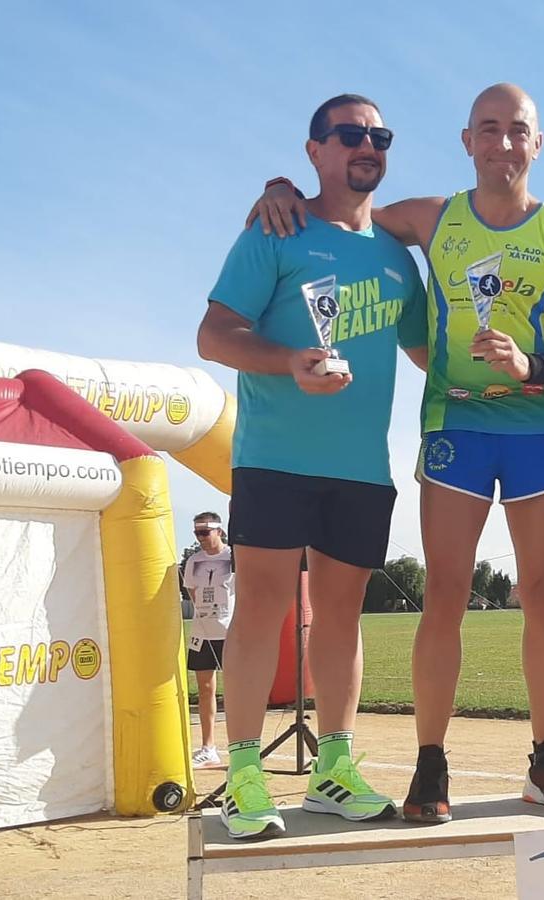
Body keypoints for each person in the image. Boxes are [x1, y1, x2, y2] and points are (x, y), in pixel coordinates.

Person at [247, 83, 544, 822]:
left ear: (537, 144)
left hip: (537, 427)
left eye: (517, 131)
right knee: (445, 593)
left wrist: (534, 369)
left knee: (540, 595)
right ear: (466, 140)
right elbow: (345, 209)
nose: (503, 144)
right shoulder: (431, 219)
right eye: (488, 130)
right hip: (455, 427)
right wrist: (280, 188)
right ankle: (430, 763)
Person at [199, 93, 429, 839]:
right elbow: (214, 334)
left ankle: (333, 768)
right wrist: (287, 362)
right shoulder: (279, 227)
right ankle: (241, 774)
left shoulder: (397, 257)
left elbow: (429, 353)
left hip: (361, 465)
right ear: (315, 151)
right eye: (351, 134)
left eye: (380, 136)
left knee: (340, 616)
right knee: (262, 607)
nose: (368, 145)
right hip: (274, 456)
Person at [182, 512, 233, 768]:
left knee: (236, 690)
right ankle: (208, 747)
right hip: (202, 633)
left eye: (205, 532)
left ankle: (241, 746)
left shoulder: (233, 558)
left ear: (219, 531)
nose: (201, 537)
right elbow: (192, 590)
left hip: (230, 631)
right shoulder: (193, 562)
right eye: (197, 533)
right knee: (205, 689)